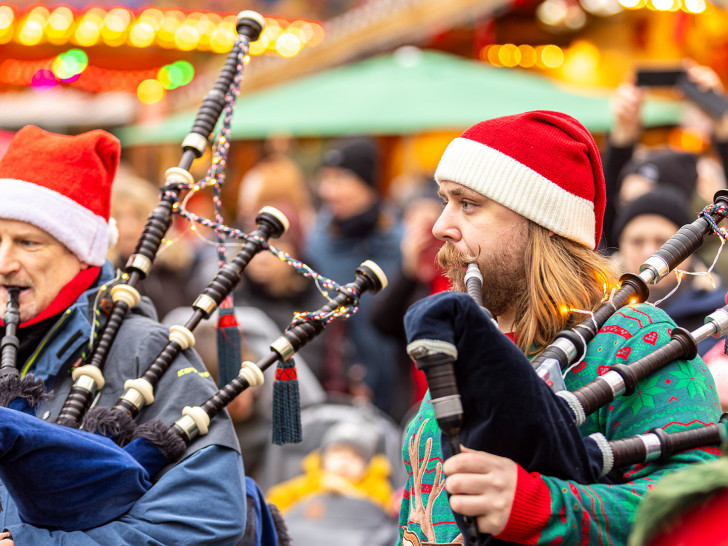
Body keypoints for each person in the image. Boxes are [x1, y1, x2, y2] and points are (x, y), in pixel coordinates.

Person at [397, 111, 720, 545]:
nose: (441, 226)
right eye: (444, 200)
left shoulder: (632, 338)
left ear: (541, 224)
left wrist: (540, 506)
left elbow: (696, 505)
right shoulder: (466, 346)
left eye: (468, 203)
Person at [0, 126, 246, 544]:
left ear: (82, 255)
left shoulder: (144, 352)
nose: (5, 262)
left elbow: (208, 515)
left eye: (28, 242)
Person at [305, 137, 402, 414]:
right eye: (325, 179)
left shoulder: (398, 244)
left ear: (368, 182)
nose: (329, 190)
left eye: (341, 179)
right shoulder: (315, 245)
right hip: (333, 391)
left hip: (394, 389)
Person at [612, 187, 727, 356]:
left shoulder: (718, 311)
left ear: (689, 247)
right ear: (621, 246)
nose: (648, 251)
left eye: (662, 241)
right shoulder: (595, 308)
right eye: (637, 241)